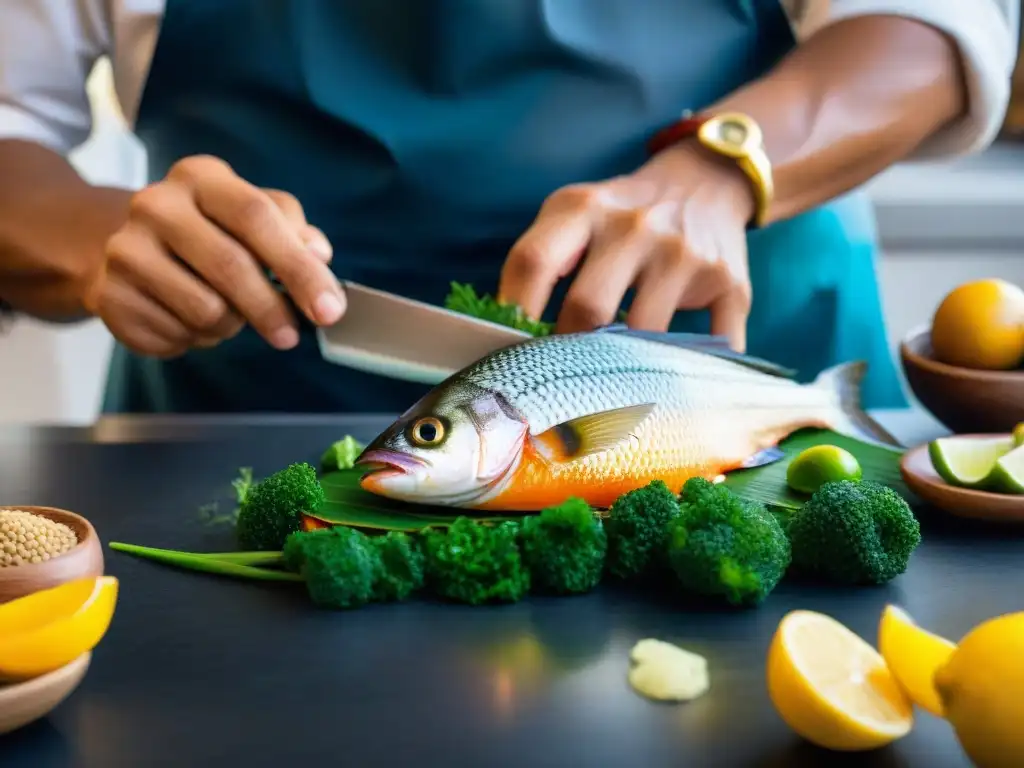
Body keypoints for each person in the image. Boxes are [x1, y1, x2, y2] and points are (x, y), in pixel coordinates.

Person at [0, 1, 1018, 416]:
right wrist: (102, 242)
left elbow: (931, 27)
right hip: (261, 431)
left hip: (749, 400)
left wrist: (723, 166)